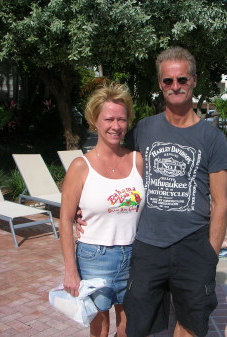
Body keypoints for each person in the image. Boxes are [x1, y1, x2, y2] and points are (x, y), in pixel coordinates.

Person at [122, 47, 227, 337]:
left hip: (193, 246)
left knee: (192, 324)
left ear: (194, 81)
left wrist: (211, 254)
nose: (175, 87)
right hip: (148, 245)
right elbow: (113, 167)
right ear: (160, 85)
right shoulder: (143, 129)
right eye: (168, 81)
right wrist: (86, 205)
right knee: (137, 324)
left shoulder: (212, 138)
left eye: (182, 80)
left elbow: (220, 204)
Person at [59, 83, 145, 337]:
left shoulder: (137, 160)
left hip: (134, 253)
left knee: (129, 323)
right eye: (108, 119)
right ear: (94, 121)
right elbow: (65, 220)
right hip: (95, 257)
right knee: (100, 325)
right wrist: (70, 270)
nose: (115, 126)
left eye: (121, 119)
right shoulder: (80, 166)